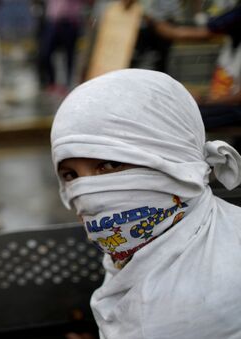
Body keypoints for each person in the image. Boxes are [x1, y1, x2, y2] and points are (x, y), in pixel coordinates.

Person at [50, 68, 241, 338]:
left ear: (174, 156)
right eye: (71, 175)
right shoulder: (143, 251)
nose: (88, 193)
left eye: (110, 164)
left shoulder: (185, 313)